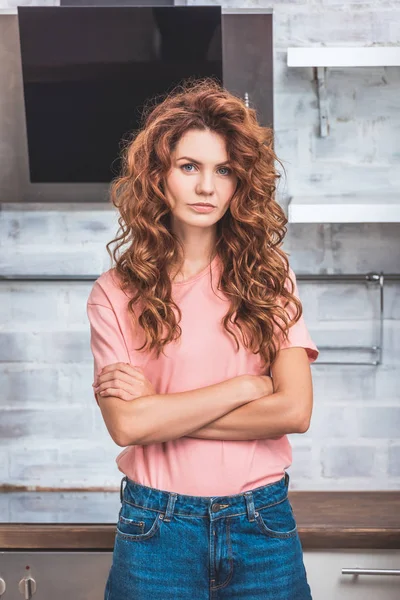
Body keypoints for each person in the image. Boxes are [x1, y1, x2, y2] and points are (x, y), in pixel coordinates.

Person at [86, 77, 319, 600]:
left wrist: (161, 413)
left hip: (262, 524)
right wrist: (245, 388)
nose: (207, 187)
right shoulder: (114, 294)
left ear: (241, 184)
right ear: (158, 176)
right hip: (155, 528)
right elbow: (127, 425)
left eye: (224, 171)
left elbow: (295, 412)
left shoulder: (269, 276)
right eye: (189, 167)